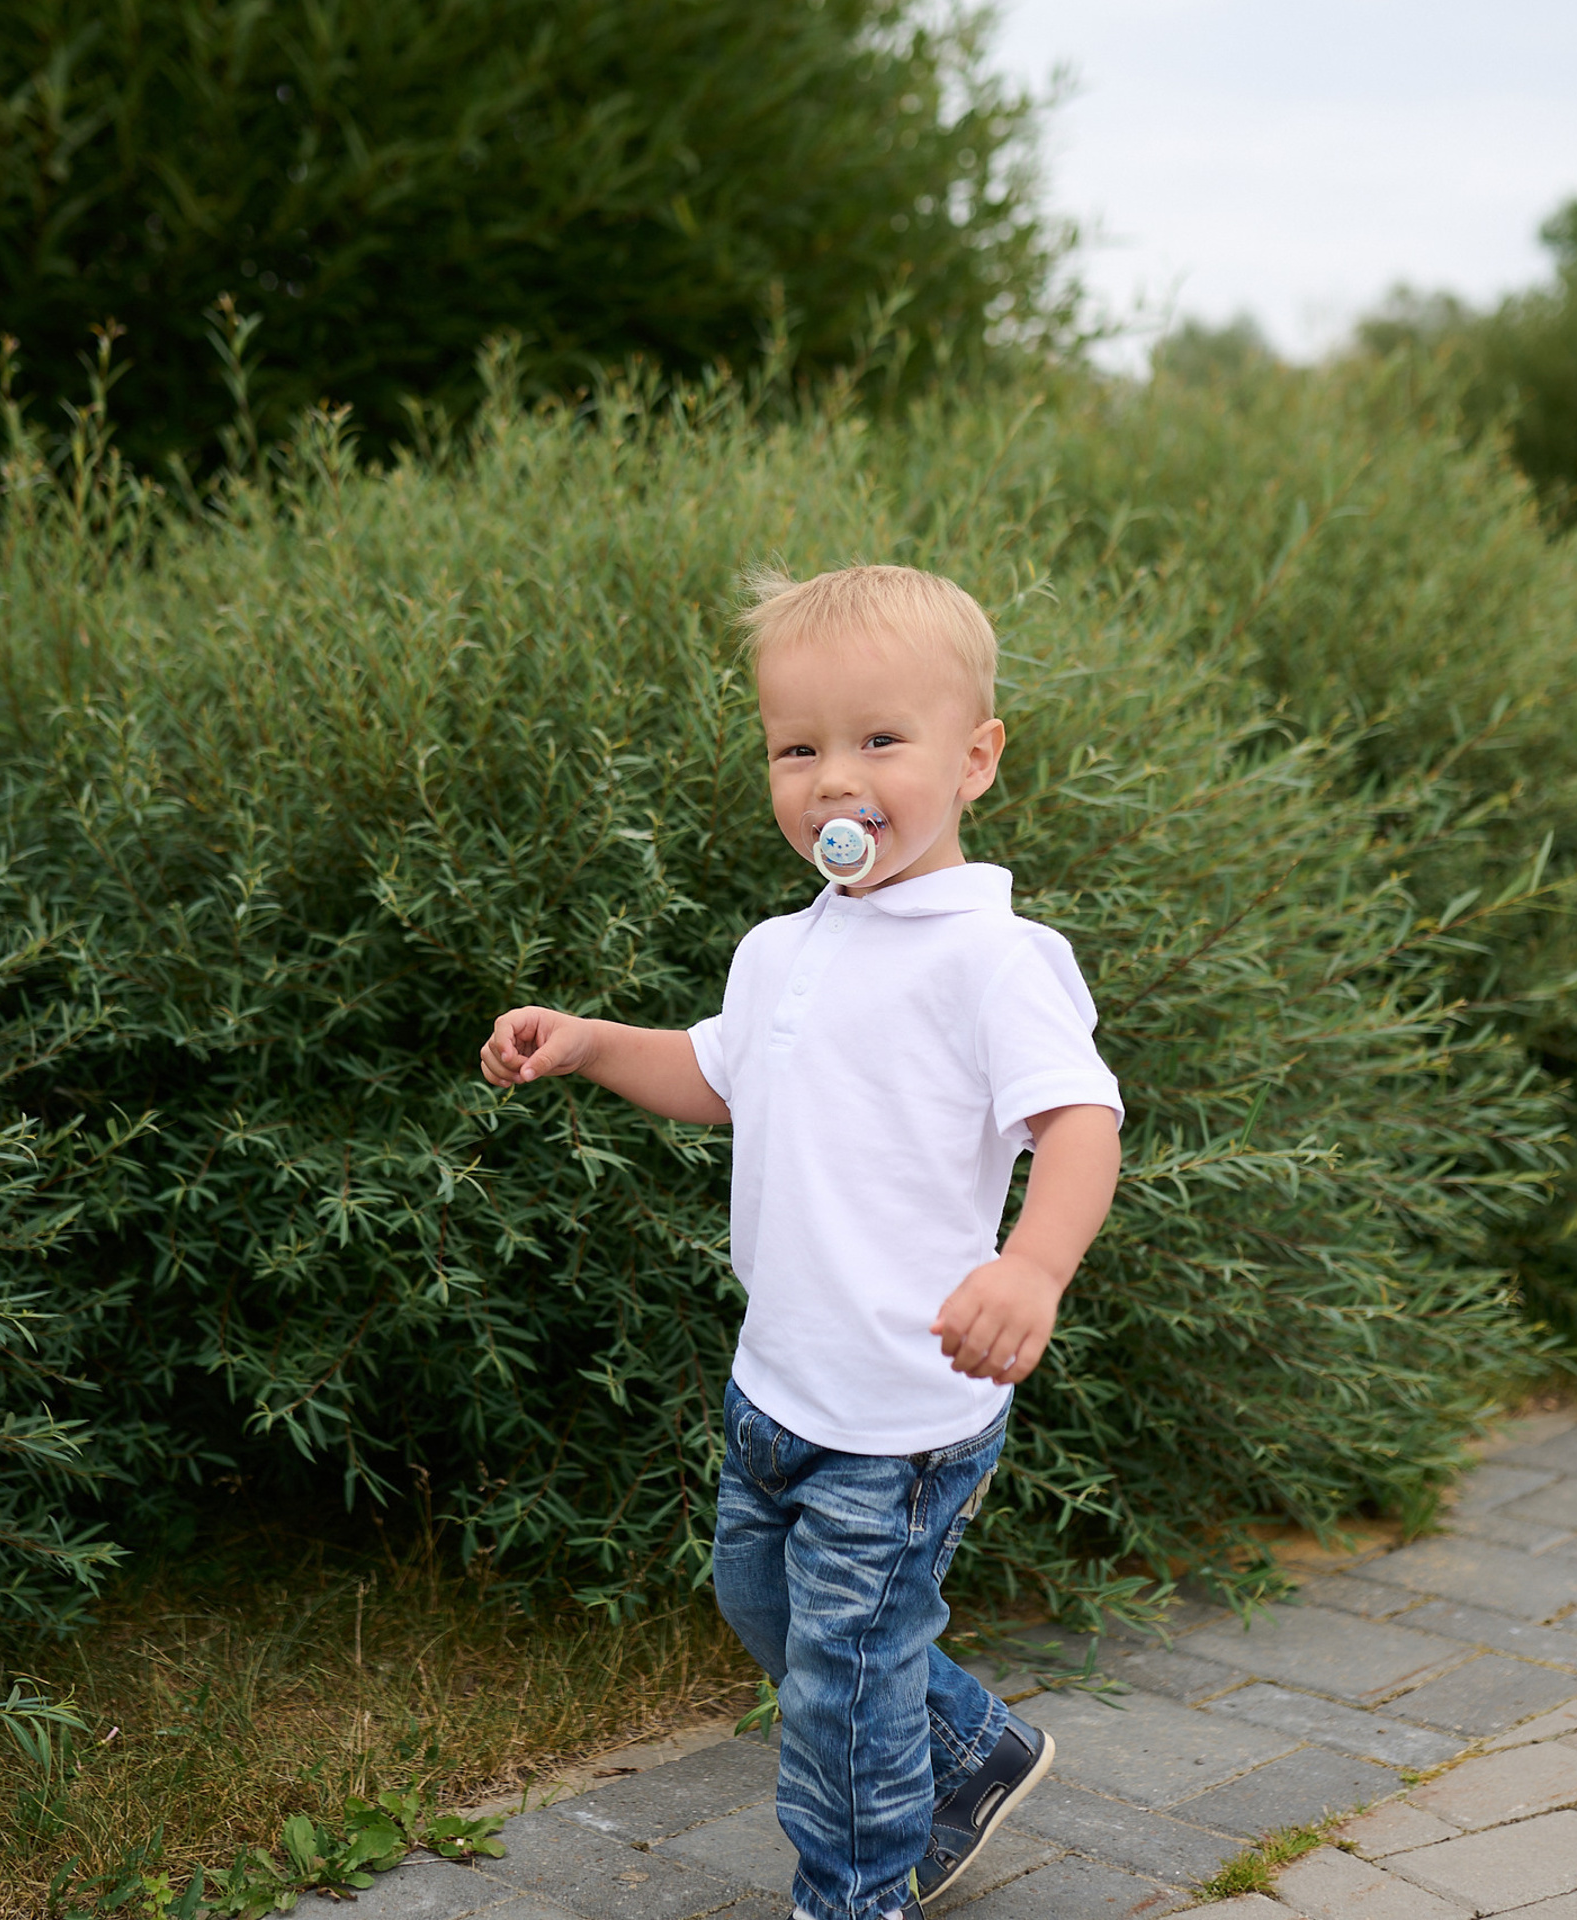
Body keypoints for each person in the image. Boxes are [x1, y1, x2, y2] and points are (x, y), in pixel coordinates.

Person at [480, 564, 1123, 1920]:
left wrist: (1031, 1266)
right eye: (799, 748)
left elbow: (1080, 1124)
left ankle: (851, 1893)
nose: (837, 779)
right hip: (778, 1383)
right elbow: (724, 1078)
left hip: (903, 1409)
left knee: (836, 1685)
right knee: (769, 1616)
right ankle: (969, 1748)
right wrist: (593, 1045)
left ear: (977, 759)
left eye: (880, 741)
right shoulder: (782, 947)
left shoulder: (995, 958)